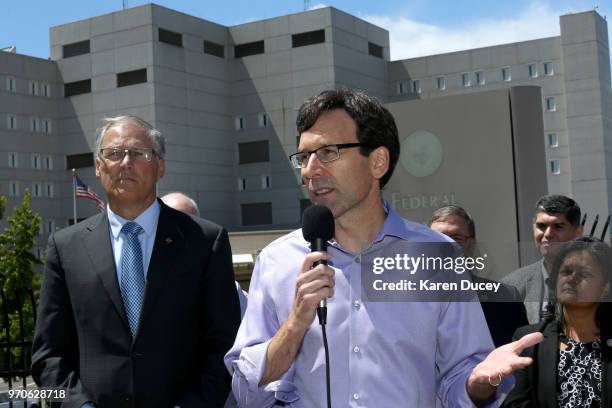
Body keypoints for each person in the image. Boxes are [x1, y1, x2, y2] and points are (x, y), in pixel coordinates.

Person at [225, 89, 540, 407]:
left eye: (328, 152)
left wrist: (478, 385)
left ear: (377, 162)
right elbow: (245, 392)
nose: (310, 170)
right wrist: (294, 324)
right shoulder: (277, 261)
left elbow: (463, 377)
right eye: (304, 157)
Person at [32, 116, 241, 408]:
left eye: (139, 153)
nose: (125, 162)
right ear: (97, 166)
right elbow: (47, 355)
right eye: (114, 153)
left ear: (161, 167)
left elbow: (226, 345)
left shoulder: (205, 242)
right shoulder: (65, 247)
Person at [503, 237, 612, 407]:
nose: (572, 278)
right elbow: (514, 403)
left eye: (584, 274)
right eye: (566, 271)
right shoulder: (529, 341)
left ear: (605, 288)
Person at [429, 205, 529, 347]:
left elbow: (520, 353)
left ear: (471, 245)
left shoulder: (505, 296)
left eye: (455, 238)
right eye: (437, 238)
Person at [161, 191, 248, 318]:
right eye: (173, 222)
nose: (180, 232)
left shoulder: (229, 290)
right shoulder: (138, 281)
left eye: (189, 224)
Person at [503, 195, 583, 323]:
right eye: (541, 226)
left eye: (558, 226)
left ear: (578, 232)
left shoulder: (602, 282)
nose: (548, 234)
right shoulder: (511, 286)